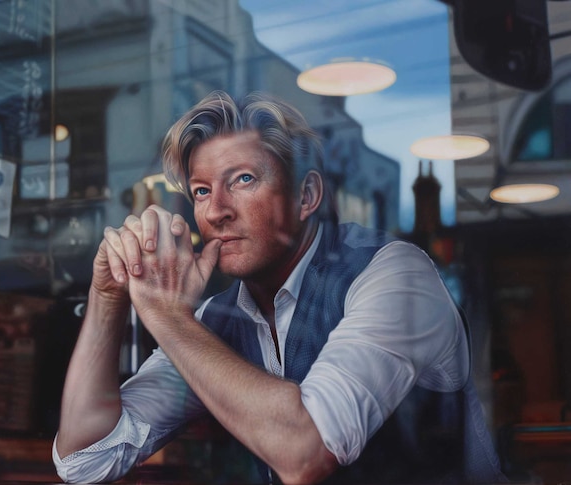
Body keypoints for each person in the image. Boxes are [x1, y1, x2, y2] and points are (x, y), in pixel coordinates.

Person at [52, 91, 505, 484]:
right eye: (202, 191)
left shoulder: (395, 274)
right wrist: (107, 296)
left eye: (243, 180)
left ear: (306, 196)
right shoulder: (218, 319)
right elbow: (85, 460)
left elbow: (305, 453)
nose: (215, 212)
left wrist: (168, 317)